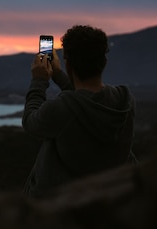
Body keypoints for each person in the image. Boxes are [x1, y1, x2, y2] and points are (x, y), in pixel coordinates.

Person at [22, 25, 135, 198]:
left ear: (68, 63)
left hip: (60, 206)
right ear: (104, 61)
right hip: (108, 198)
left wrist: (39, 81)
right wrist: (59, 75)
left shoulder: (62, 108)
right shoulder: (124, 100)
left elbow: (31, 123)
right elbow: (87, 100)